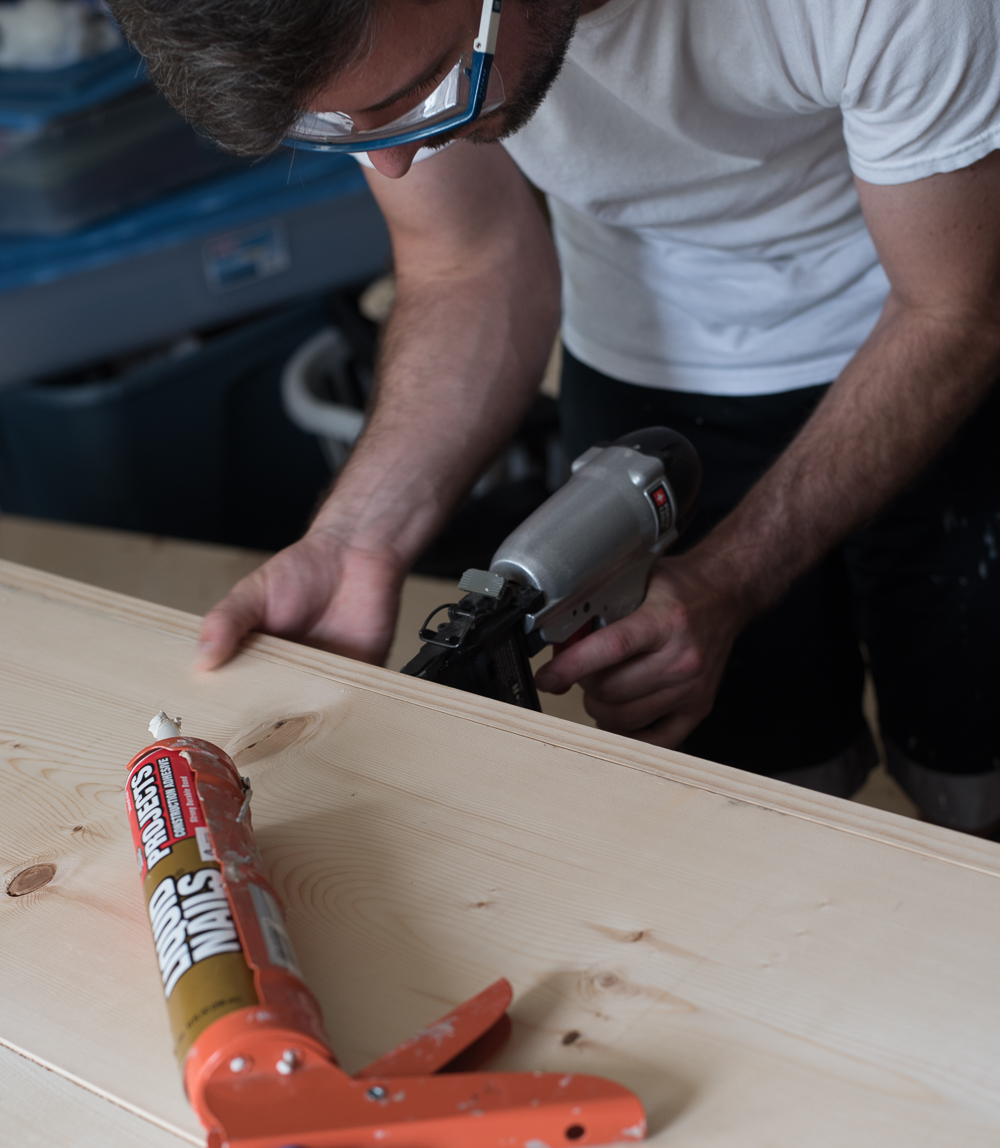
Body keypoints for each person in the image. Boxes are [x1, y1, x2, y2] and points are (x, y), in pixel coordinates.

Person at [112, 0, 1000, 835]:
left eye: (405, 100)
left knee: (975, 772)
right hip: (646, 356)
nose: (387, 163)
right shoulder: (373, 29)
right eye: (344, 129)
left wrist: (733, 578)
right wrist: (357, 536)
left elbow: (954, 311)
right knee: (754, 802)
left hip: (932, 332)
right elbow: (469, 258)